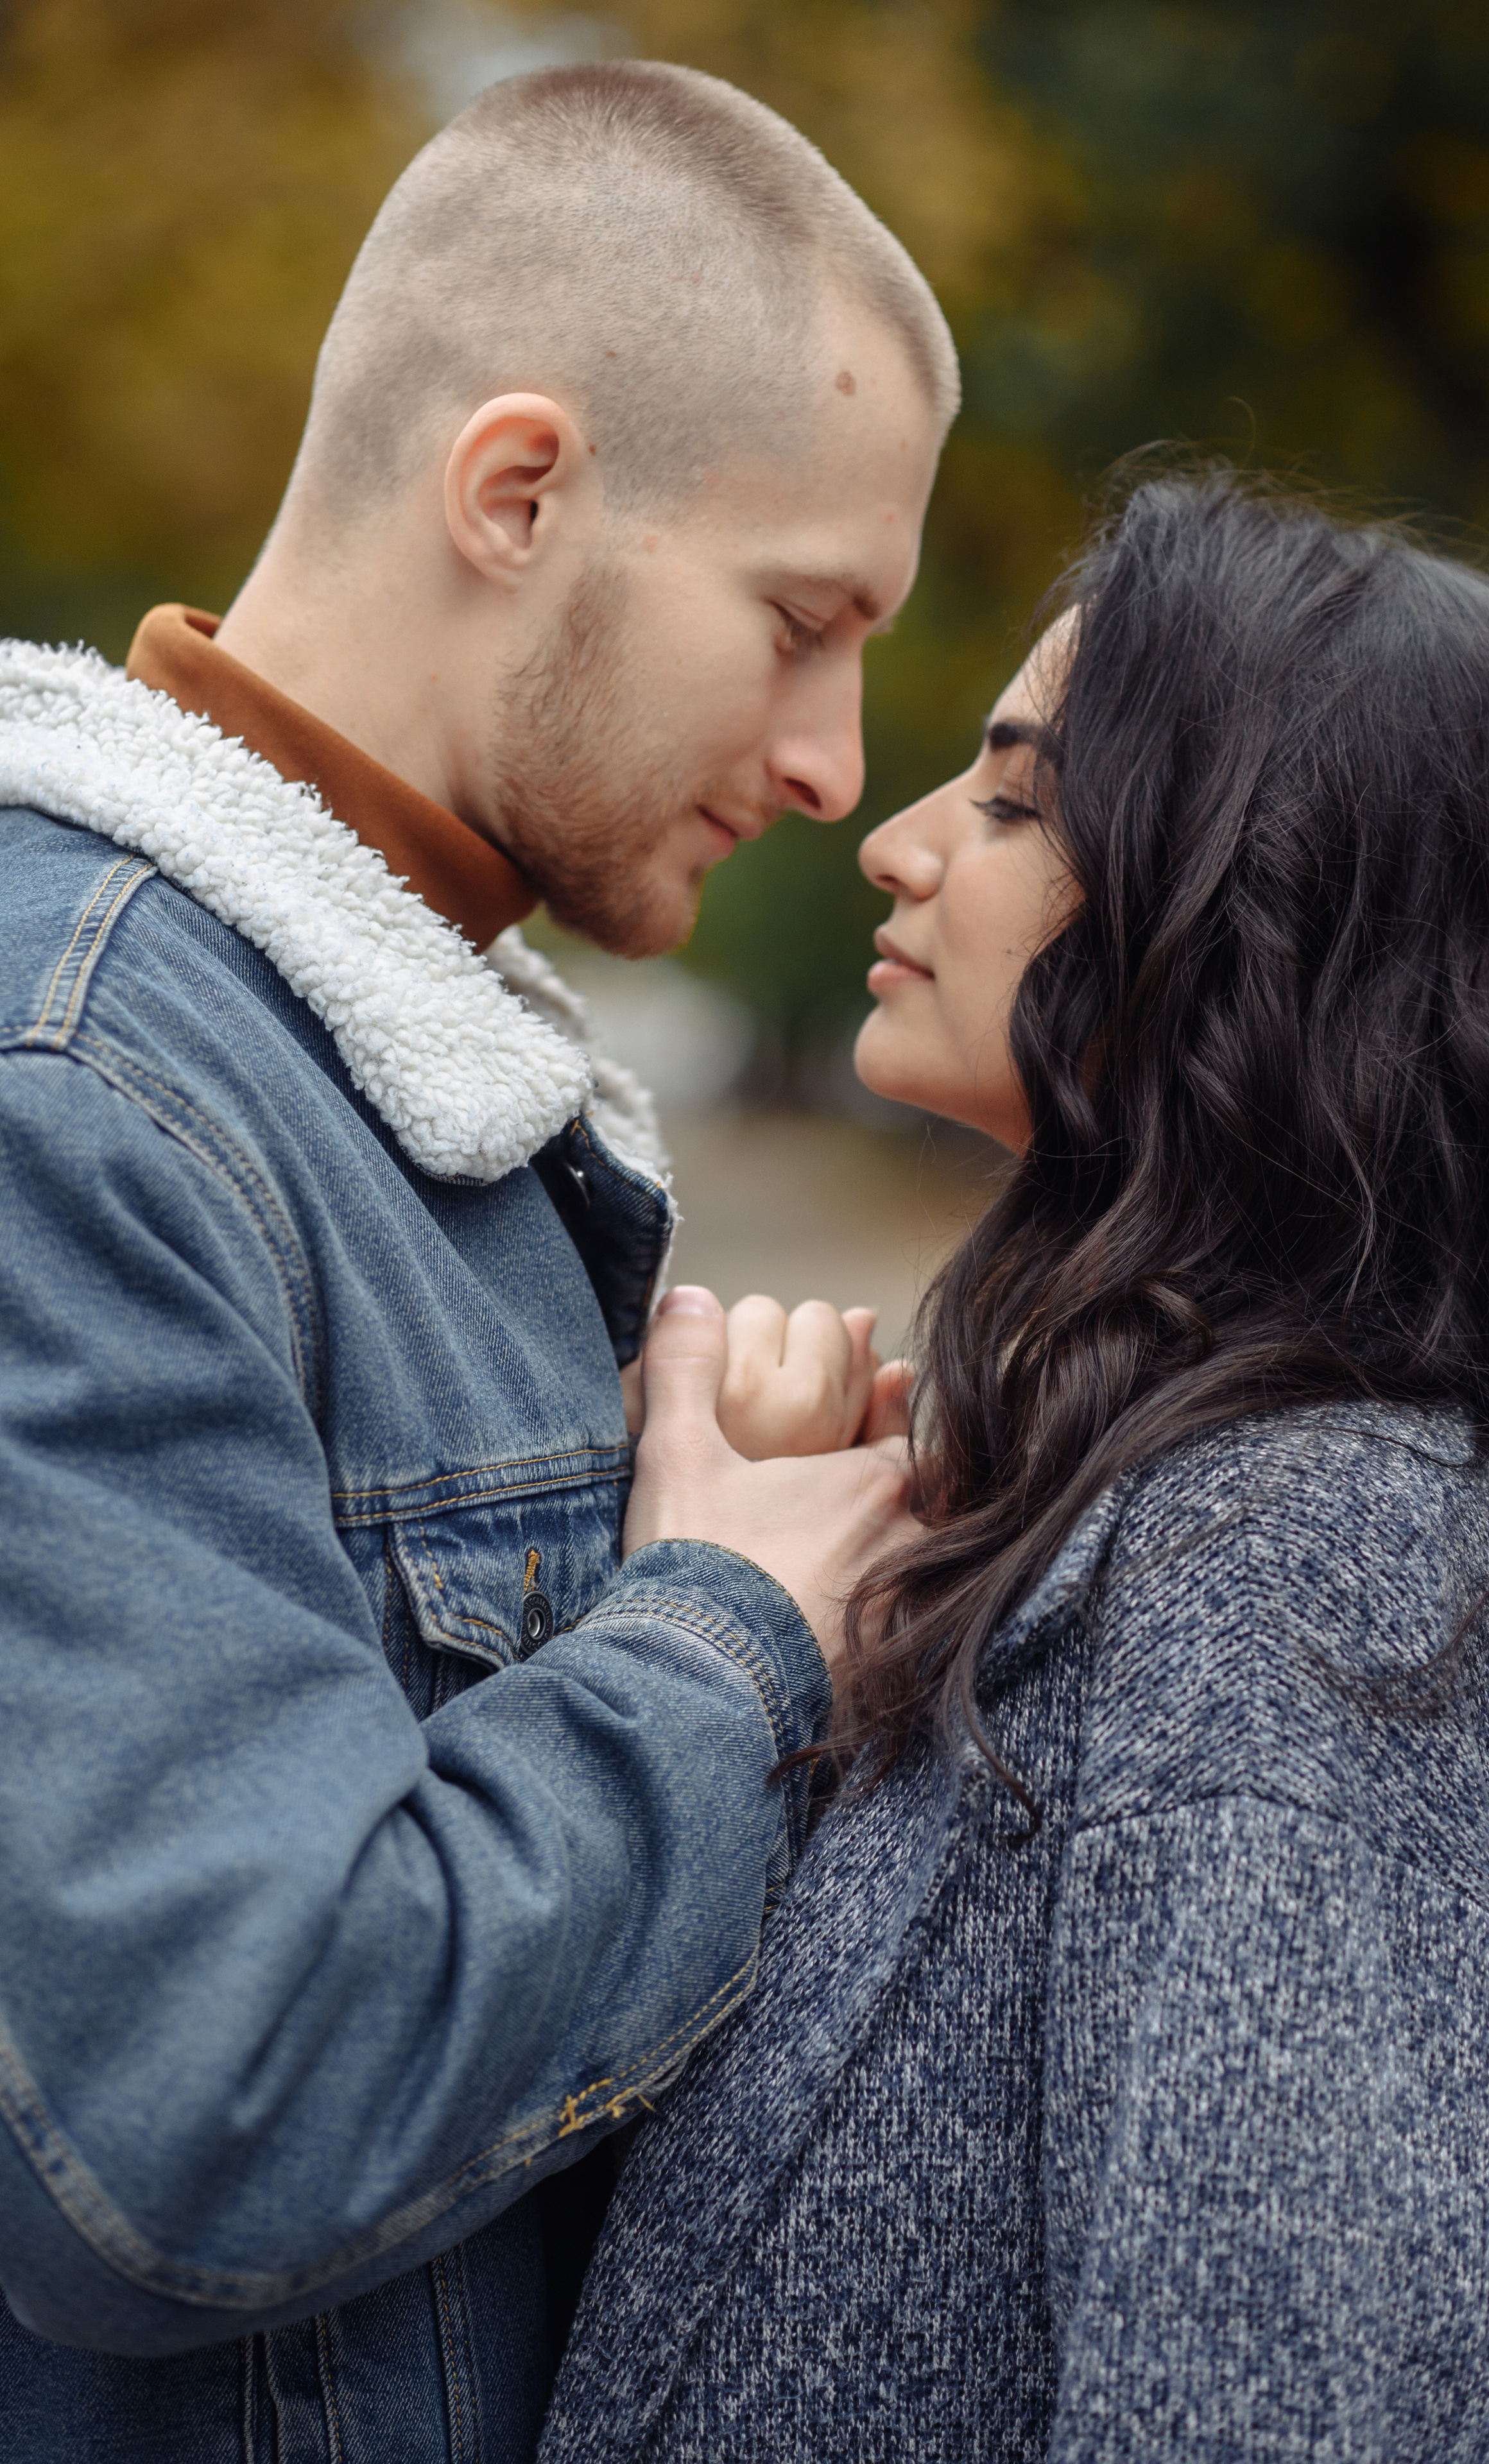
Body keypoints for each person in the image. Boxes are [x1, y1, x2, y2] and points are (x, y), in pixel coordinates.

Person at [0, 60, 951, 2464]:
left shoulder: (405, 1083)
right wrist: (724, 1638)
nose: (837, 766)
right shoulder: (81, 1099)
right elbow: (199, 2106)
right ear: (518, 492)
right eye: (800, 621)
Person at [540, 471, 1489, 2462]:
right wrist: (763, 1617)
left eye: (1012, 802)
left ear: (1264, 906)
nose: (892, 841)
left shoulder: (1301, 1559)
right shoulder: (1169, 1504)